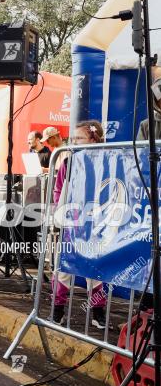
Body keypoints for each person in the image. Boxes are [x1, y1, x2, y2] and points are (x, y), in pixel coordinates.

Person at [51, 119, 107, 329]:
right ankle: (57, 310)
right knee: (64, 268)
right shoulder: (69, 162)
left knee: (96, 270)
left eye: (79, 138)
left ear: (94, 139)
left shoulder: (106, 160)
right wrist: (60, 210)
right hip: (72, 223)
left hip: (96, 224)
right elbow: (58, 188)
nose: (73, 142)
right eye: (72, 138)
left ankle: (98, 312)